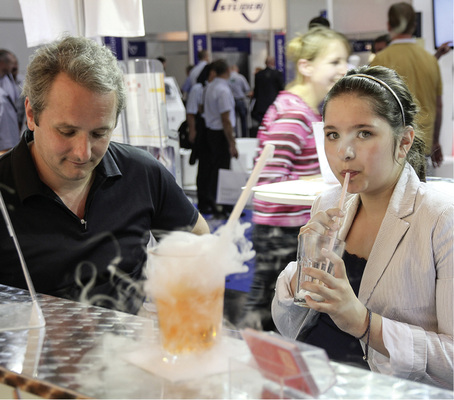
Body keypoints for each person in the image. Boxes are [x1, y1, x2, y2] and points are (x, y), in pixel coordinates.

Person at [272, 65, 453, 389]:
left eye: (364, 133)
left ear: (403, 141)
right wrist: (303, 271)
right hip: (316, 381)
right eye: (333, 135)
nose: (344, 151)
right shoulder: (328, 204)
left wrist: (363, 322)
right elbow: (291, 325)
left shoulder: (440, 220)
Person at [0, 36, 209, 315]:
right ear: (31, 113)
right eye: (66, 131)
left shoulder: (142, 173)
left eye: (100, 133)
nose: (83, 152)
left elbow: (199, 241)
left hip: (128, 352)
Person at [238, 27, 350, 331]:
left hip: (291, 226)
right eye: (334, 62)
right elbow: (271, 179)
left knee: (276, 306)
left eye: (345, 61)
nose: (343, 69)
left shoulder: (305, 110)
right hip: (282, 227)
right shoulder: (294, 113)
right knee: (270, 307)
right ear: (306, 66)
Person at [370, 2, 443, 173]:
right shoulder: (430, 60)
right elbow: (438, 106)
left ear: (389, 25)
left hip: (392, 150)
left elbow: (372, 109)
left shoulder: (380, 60)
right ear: (414, 25)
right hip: (424, 146)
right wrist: (436, 141)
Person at [203, 59, 239, 216]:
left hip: (210, 132)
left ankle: (215, 203)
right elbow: (226, 119)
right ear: (227, 71)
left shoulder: (210, 87)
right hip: (220, 134)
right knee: (222, 171)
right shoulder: (223, 90)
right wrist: (232, 142)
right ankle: (223, 206)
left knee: (214, 170)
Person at [186, 63, 216, 214]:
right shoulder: (198, 88)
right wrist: (193, 131)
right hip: (202, 131)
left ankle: (211, 200)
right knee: (204, 167)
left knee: (211, 167)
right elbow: (191, 112)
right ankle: (203, 201)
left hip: (211, 131)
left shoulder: (212, 88)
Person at [250, 56, 284, 137]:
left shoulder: (258, 75)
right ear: (273, 63)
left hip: (261, 106)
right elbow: (282, 90)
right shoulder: (278, 74)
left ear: (265, 63)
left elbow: (256, 91)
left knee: (263, 126)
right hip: (274, 105)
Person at [0, 49, 21, 154]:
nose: (14, 66)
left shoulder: (7, 79)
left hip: (12, 141)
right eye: (12, 63)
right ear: (2, 63)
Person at [228, 64, 252, 138]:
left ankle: (235, 135)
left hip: (231, 101)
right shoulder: (240, 77)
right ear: (237, 70)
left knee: (233, 120)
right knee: (243, 120)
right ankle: (244, 136)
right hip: (240, 100)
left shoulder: (227, 78)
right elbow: (247, 89)